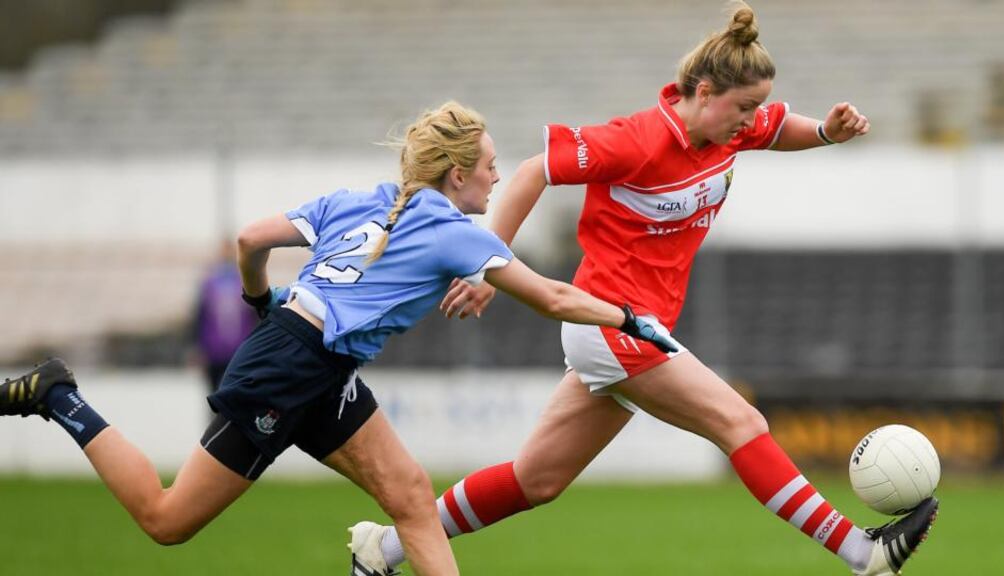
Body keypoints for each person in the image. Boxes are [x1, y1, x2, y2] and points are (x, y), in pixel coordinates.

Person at [351, 4, 938, 576]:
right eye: (743, 107)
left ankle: (384, 550)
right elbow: (533, 171)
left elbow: (781, 126)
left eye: (755, 107)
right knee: (741, 424)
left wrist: (827, 133)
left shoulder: (729, 128)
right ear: (703, 92)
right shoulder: (635, 140)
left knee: (537, 481)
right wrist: (485, 267)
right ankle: (862, 554)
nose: (750, 119)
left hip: (636, 328)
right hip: (611, 323)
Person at [0, 102, 678, 576]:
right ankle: (62, 396)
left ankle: (370, 562)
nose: (500, 177)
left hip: (312, 355)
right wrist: (627, 319)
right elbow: (553, 296)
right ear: (458, 173)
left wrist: (260, 301)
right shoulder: (452, 229)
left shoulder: (358, 199)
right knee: (166, 519)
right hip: (290, 369)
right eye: (492, 166)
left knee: (411, 496)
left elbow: (249, 241)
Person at [191, 238, 259, 395]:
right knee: (214, 395)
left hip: (240, 349)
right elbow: (199, 316)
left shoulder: (245, 279)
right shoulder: (209, 283)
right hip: (213, 350)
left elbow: (256, 314)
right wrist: (197, 347)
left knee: (239, 394)